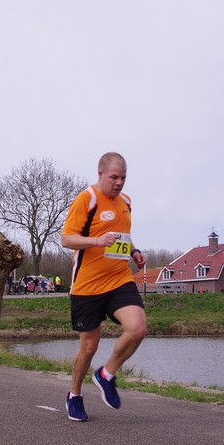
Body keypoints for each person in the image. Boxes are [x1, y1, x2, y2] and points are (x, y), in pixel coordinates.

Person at [60, 151, 147, 422]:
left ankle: (107, 374)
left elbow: (123, 236)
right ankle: (74, 395)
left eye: (123, 178)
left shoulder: (126, 201)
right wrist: (97, 241)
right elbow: (67, 239)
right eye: (114, 177)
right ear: (100, 174)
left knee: (138, 328)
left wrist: (134, 252)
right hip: (87, 285)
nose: (119, 183)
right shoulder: (87, 199)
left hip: (119, 279)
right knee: (89, 347)